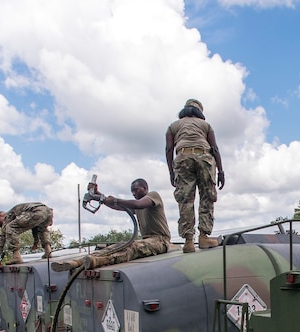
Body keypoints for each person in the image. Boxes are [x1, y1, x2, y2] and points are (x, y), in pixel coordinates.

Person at [51, 179, 170, 272]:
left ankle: (98, 260)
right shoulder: (136, 205)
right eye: (132, 191)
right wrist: (99, 196)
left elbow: (137, 204)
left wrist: (115, 200)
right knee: (119, 245)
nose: (134, 193)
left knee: (133, 249)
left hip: (160, 241)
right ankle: (77, 262)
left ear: (145, 188)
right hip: (147, 240)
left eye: (137, 190)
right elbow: (117, 206)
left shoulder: (153, 196)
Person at [165, 98, 225, 252]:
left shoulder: (173, 126)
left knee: (185, 200)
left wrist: (171, 172)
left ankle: (188, 241)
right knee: (207, 196)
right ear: (199, 111)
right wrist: (221, 171)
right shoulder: (206, 125)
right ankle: (204, 237)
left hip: (182, 157)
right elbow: (215, 148)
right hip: (204, 157)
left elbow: (169, 149)